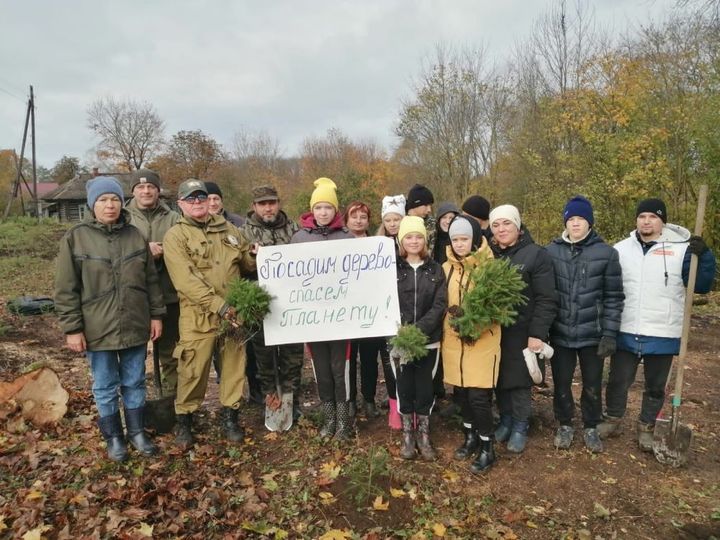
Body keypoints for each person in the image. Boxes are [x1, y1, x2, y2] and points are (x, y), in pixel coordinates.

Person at [55, 176, 165, 462]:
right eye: (103, 200)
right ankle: (114, 437)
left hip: (134, 322)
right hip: (97, 327)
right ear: (92, 204)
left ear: (122, 202)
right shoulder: (76, 237)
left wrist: (156, 315)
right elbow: (66, 288)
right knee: (104, 385)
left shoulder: (135, 235)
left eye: (114, 199)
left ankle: (137, 431)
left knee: (135, 380)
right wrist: (72, 329)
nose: (110, 205)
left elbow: (150, 280)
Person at [598, 198, 716, 451]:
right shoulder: (620, 249)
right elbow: (608, 286)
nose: (647, 221)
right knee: (618, 380)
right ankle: (613, 418)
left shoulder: (682, 250)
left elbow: (702, 285)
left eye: (653, 216)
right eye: (642, 217)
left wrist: (704, 257)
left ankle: (646, 427)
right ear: (636, 220)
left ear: (662, 221)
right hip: (626, 327)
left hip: (663, 329)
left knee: (655, 386)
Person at [163, 179, 257, 448]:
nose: (197, 203)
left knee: (233, 368)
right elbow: (185, 280)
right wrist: (219, 306)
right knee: (193, 370)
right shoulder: (176, 236)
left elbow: (246, 264)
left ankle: (231, 418)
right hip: (199, 316)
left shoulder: (229, 229)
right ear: (180, 204)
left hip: (234, 314)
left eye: (201, 198)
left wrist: (254, 254)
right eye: (190, 199)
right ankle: (185, 420)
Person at [546, 196, 624, 453]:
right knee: (562, 382)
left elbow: (614, 297)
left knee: (592, 383)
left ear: (589, 223)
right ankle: (565, 423)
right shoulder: (551, 252)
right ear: (565, 223)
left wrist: (610, 333)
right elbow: (545, 295)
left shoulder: (607, 254)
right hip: (561, 333)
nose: (575, 223)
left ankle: (591, 426)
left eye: (580, 219)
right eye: (571, 219)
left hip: (593, 334)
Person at [489, 204, 558, 453]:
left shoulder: (535, 254)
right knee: (499, 378)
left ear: (518, 226)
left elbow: (546, 298)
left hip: (523, 331)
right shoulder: (490, 255)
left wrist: (537, 334)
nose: (501, 229)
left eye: (506, 223)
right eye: (496, 225)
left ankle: (520, 425)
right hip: (495, 332)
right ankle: (505, 420)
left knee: (519, 382)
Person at [291, 177, 354, 439]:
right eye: (319, 208)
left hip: (341, 318)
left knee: (341, 370)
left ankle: (344, 421)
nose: (323, 212)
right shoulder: (299, 238)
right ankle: (328, 419)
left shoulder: (348, 237)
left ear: (335, 210)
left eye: (328, 207)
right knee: (322, 370)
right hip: (313, 320)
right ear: (312, 210)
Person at [442, 215, 500, 473]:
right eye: (455, 240)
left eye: (464, 239)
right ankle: (470, 436)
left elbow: (497, 307)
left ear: (475, 239)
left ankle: (488, 446)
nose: (459, 244)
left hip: (481, 340)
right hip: (454, 341)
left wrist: (474, 325)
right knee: (462, 394)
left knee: (478, 395)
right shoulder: (447, 268)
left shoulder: (489, 267)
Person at [240, 185, 304, 421]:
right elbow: (238, 268)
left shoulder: (294, 229)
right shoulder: (242, 233)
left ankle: (291, 402)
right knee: (264, 358)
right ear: (254, 206)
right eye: (262, 204)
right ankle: (270, 402)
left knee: (292, 357)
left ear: (278, 203)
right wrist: (252, 257)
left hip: (291, 305)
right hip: (261, 307)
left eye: (272, 202)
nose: (268, 207)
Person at [392, 215, 447, 461]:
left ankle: (424, 433)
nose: (414, 241)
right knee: (404, 386)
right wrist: (403, 333)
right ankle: (407, 433)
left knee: (425, 387)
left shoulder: (435, 269)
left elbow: (440, 305)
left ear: (425, 240)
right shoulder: (392, 268)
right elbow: (386, 302)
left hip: (428, 339)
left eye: (418, 237)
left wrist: (419, 330)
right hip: (399, 341)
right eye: (408, 237)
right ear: (401, 240)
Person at [125, 169, 180, 395]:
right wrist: (144, 250)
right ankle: (136, 405)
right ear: (133, 191)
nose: (146, 191)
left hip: (168, 293)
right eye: (140, 187)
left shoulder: (173, 218)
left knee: (170, 351)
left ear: (158, 191)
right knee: (133, 354)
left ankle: (172, 400)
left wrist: (166, 251)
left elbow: (184, 248)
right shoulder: (122, 216)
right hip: (133, 296)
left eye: (151, 187)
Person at [205, 180, 260, 401]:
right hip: (210, 299)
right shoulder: (195, 228)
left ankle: (254, 391)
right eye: (207, 199)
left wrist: (254, 255)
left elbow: (246, 260)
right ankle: (228, 395)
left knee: (246, 347)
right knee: (220, 351)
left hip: (238, 295)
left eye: (216, 198)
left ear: (221, 201)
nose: (212, 202)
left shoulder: (237, 224)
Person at [343, 201, 384, 419]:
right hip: (346, 313)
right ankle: (349, 400)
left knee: (369, 359)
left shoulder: (377, 245)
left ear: (368, 221)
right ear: (346, 219)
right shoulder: (338, 243)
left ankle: (369, 399)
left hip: (370, 312)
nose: (358, 220)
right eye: (354, 216)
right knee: (349, 359)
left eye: (363, 217)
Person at [376, 194, 406, 429]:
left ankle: (409, 402)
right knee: (389, 359)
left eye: (397, 219)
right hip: (384, 312)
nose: (393, 224)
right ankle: (394, 404)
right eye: (389, 220)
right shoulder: (376, 245)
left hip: (406, 310)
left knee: (407, 357)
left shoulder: (411, 243)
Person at [405, 184, 437, 256]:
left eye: (430, 206)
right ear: (415, 204)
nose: (429, 210)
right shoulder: (398, 223)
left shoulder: (432, 224)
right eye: (426, 205)